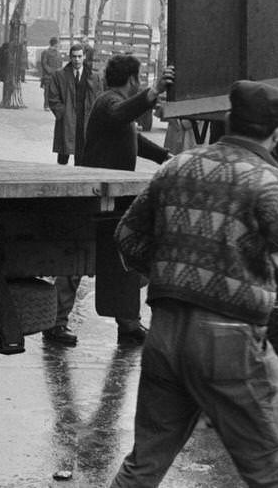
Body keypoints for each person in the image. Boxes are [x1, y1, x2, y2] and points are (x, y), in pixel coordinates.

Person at [108, 80, 278, 486]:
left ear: (228, 118)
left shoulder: (177, 166)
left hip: (164, 335)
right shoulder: (269, 183)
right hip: (228, 343)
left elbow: (127, 236)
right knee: (274, 470)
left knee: (144, 465)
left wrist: (171, 272)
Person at [67, 55, 174, 347]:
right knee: (78, 258)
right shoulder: (109, 103)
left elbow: (132, 139)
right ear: (132, 79)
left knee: (122, 260)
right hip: (96, 195)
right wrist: (154, 92)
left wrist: (164, 156)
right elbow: (120, 116)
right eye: (139, 79)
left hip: (112, 196)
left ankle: (128, 324)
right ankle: (56, 321)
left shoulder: (116, 106)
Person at [46, 43, 102, 166]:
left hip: (84, 120)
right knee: (63, 155)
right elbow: (53, 97)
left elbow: (99, 98)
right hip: (66, 120)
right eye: (74, 56)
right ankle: (60, 176)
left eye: (79, 56)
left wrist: (93, 117)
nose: (77, 60)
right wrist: (63, 113)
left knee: (81, 156)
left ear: (84, 57)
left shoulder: (93, 77)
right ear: (70, 57)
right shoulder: (60, 75)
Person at [40, 37, 62, 110]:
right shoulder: (46, 52)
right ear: (55, 44)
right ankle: (46, 105)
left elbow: (60, 64)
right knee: (47, 91)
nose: (58, 45)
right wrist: (50, 71)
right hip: (48, 75)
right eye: (57, 43)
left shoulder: (58, 53)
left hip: (56, 75)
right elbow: (44, 63)